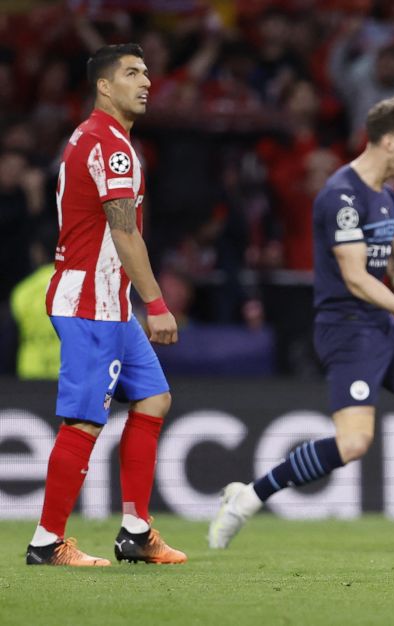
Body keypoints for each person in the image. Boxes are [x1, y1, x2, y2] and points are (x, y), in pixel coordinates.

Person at [208, 95, 394, 550]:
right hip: (346, 327)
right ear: (389, 140)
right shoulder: (341, 195)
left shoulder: (388, 194)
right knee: (354, 443)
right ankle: (249, 495)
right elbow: (357, 279)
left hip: (379, 322)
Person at [26, 44, 186, 566]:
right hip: (90, 301)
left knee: (154, 399)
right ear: (103, 85)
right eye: (132, 73)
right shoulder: (109, 145)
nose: (145, 82)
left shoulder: (101, 139)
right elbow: (123, 232)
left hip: (110, 302)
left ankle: (136, 534)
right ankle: (47, 542)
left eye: (147, 72)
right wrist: (157, 304)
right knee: (85, 423)